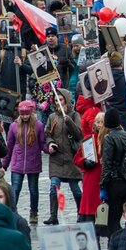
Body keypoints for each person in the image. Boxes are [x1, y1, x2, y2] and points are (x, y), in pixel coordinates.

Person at [2, 102, 46, 224]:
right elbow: (9, 147)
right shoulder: (13, 126)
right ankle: (12, 212)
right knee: (15, 189)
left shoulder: (38, 126)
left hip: (33, 162)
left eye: (27, 114)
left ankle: (34, 212)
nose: (25, 117)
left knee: (33, 189)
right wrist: (4, 164)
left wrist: (50, 149)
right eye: (23, 114)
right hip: (18, 163)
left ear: (31, 113)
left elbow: (42, 144)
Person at [44, 89, 82, 225]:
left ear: (66, 100)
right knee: (54, 187)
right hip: (57, 158)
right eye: (56, 100)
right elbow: (48, 134)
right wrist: (51, 143)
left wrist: (69, 122)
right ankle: (53, 216)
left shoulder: (75, 115)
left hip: (71, 159)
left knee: (76, 190)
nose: (58, 102)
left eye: (60, 99)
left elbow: (79, 134)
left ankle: (81, 213)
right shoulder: (52, 117)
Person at [100, 107, 126, 238]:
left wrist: (103, 184)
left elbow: (107, 163)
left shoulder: (109, 138)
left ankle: (114, 247)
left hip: (115, 182)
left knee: (113, 220)